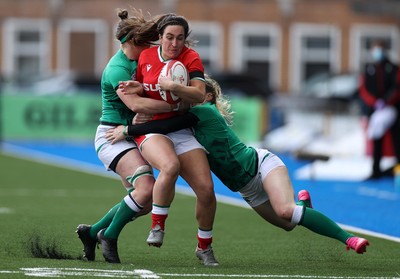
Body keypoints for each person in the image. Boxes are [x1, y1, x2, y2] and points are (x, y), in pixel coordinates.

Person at [109, 75, 370, 254]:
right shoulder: (188, 124)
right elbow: (167, 123)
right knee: (289, 224)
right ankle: (303, 205)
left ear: (207, 95)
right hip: (246, 189)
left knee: (284, 211)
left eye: (189, 89)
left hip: (261, 165)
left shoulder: (204, 112)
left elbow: (166, 124)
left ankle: (349, 239)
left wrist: (128, 130)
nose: (183, 94)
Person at [75, 9, 179, 264]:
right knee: (146, 189)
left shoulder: (140, 60)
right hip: (113, 136)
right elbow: (137, 105)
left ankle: (92, 232)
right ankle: (108, 236)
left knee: (144, 202)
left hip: (133, 134)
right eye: (145, 42)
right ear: (130, 41)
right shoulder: (117, 70)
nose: (149, 47)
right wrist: (175, 106)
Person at [118, 13, 219, 266]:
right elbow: (144, 87)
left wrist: (173, 86)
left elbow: (197, 94)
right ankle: (158, 225)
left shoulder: (191, 57)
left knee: (206, 190)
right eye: (170, 38)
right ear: (160, 38)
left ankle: (204, 247)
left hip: (179, 129)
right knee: (170, 165)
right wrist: (136, 88)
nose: (175, 44)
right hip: (151, 128)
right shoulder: (146, 56)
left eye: (180, 38)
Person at [359, 39, 400, 180]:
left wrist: (387, 101)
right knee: (376, 140)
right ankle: (375, 170)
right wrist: (375, 102)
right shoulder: (369, 69)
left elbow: (397, 87)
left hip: (393, 109)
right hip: (375, 110)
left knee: (397, 141)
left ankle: (398, 169)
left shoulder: (393, 68)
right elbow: (364, 89)